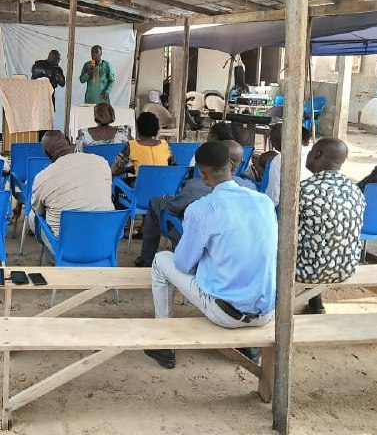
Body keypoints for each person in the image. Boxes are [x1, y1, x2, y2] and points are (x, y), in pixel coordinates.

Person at [145, 141, 278, 370]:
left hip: (226, 314)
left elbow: (184, 265)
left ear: (203, 175)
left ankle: (164, 341)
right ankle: (250, 346)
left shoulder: (202, 208)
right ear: (233, 165)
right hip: (266, 313)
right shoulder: (264, 202)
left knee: (160, 261)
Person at [134, 140, 256, 268]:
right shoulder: (252, 190)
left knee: (156, 206)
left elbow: (172, 208)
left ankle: (146, 259)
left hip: (197, 250)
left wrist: (168, 199)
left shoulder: (196, 191)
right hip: (236, 259)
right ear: (240, 163)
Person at [298, 137, 366, 314]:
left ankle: (262, 309)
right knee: (316, 237)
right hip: (346, 267)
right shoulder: (354, 190)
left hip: (306, 271)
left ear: (318, 154)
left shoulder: (304, 190)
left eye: (311, 151)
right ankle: (315, 302)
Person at [29, 131, 114, 250]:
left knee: (33, 217)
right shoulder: (101, 162)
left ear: (47, 154)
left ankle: (55, 261)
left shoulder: (42, 177)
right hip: (104, 242)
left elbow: (38, 210)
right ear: (69, 141)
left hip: (67, 248)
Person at [112, 112, 174, 178]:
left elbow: (114, 170)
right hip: (164, 186)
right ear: (156, 129)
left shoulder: (131, 145)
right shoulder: (165, 145)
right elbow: (172, 166)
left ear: (138, 130)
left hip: (142, 187)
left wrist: (129, 169)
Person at [265, 124, 313, 207]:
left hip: (291, 209)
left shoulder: (279, 160)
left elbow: (273, 199)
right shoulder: (313, 153)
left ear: (274, 144)